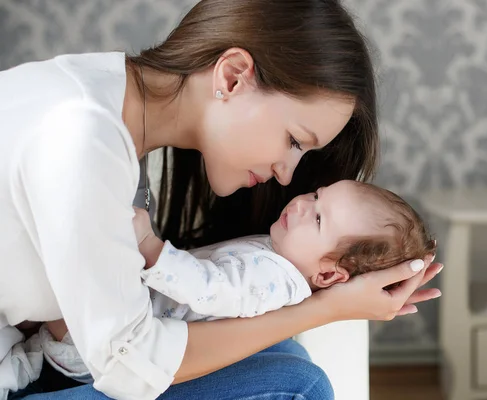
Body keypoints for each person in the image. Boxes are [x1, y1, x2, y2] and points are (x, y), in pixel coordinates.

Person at [0, 0, 443, 399]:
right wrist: (325, 308)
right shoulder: (83, 136)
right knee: (298, 386)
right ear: (232, 77)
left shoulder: (102, 102)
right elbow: (127, 367)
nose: (288, 174)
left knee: (281, 350)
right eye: (293, 140)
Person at [40, 179, 438, 383]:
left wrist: (149, 246)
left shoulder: (277, 279)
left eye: (318, 219)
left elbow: (209, 288)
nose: (302, 205)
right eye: (317, 196)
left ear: (330, 275)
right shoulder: (283, 253)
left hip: (101, 340)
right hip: (108, 334)